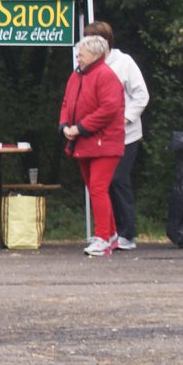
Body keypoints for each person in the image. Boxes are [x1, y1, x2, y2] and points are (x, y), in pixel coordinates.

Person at [82, 20, 149, 251]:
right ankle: (108, 232)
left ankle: (126, 233)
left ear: (106, 42)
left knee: (118, 180)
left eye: (93, 40)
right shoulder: (86, 66)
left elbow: (141, 95)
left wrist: (126, 118)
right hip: (99, 138)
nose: (88, 44)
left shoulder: (124, 62)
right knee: (101, 185)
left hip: (126, 136)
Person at [60, 33, 127, 257]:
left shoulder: (106, 75)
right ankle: (111, 234)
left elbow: (109, 109)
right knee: (95, 188)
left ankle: (102, 238)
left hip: (104, 142)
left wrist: (79, 127)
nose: (78, 57)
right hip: (83, 142)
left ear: (96, 55)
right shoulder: (76, 75)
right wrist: (65, 125)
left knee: (98, 188)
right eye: (78, 53)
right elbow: (67, 102)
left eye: (82, 54)